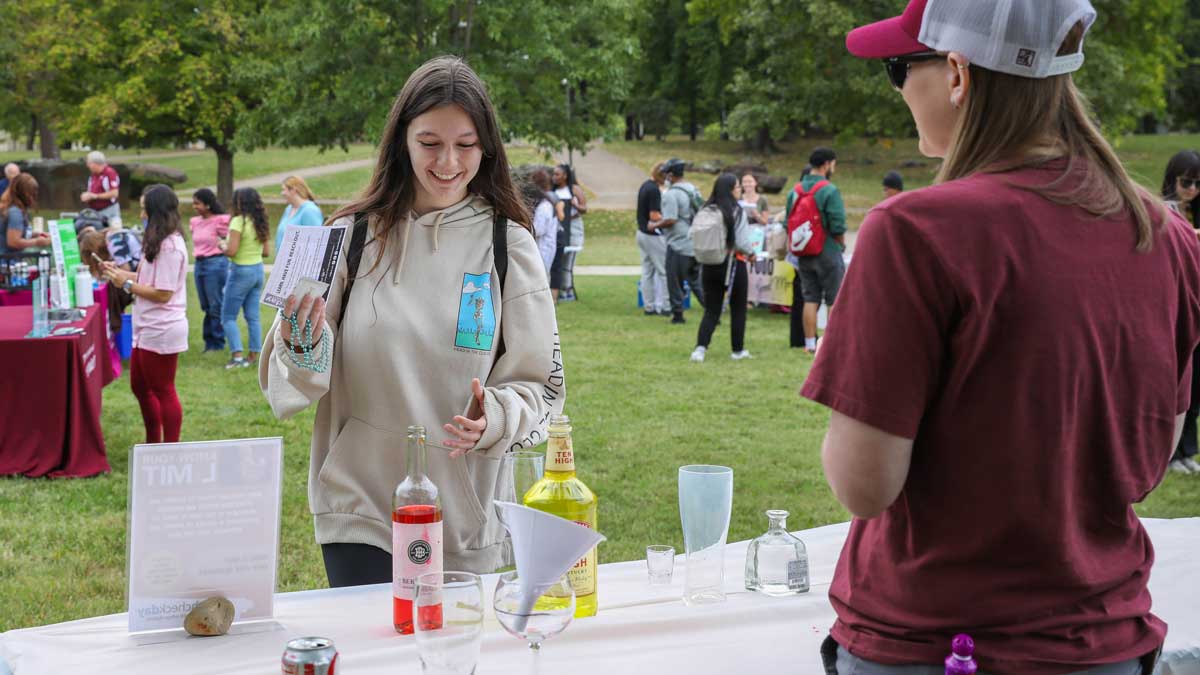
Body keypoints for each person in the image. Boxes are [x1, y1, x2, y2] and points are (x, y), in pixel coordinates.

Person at [805, 2, 1200, 673]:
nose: (899, 88)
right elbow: (1152, 456)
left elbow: (863, 484)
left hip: (935, 644)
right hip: (1106, 640)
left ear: (957, 73)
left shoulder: (913, 231)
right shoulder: (1167, 237)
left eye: (900, 67)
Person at [258, 56, 564, 586]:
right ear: (402, 139)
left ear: (486, 147)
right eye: (430, 142)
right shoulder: (349, 234)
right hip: (360, 507)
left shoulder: (507, 243)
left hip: (465, 512)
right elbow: (295, 378)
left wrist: (493, 417)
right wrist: (300, 340)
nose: (448, 161)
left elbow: (540, 386)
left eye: (465, 144)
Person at [99, 185, 189, 443]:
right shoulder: (157, 241)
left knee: (163, 390)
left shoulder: (171, 246)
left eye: (143, 208)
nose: (140, 213)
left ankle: (169, 448)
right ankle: (153, 442)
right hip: (146, 325)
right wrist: (118, 272)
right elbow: (147, 277)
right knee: (139, 385)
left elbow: (163, 293)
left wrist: (124, 284)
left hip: (162, 327)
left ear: (155, 211)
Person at [691, 173, 755, 363]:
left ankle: (700, 349)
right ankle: (737, 350)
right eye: (737, 187)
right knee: (738, 309)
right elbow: (742, 241)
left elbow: (691, 234)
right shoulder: (736, 211)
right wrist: (751, 253)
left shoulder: (705, 209)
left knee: (711, 309)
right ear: (730, 190)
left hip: (709, 263)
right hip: (733, 263)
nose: (740, 190)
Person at [1163, 149, 1200, 475]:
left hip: (1195, 301)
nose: (1191, 189)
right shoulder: (1163, 214)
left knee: (1196, 388)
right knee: (1181, 383)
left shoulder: (1193, 213)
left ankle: (1188, 451)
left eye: (1197, 184)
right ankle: (1172, 455)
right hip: (1176, 305)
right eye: (1186, 182)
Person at [788, 147, 847, 352]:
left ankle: (810, 344)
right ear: (826, 164)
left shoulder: (794, 191)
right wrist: (841, 243)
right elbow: (837, 224)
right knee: (834, 298)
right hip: (827, 249)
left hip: (804, 252)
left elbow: (789, 222)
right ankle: (831, 346)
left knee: (810, 298)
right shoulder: (829, 190)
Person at [221, 187, 272, 369]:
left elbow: (232, 251)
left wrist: (222, 247)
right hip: (258, 271)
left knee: (228, 317)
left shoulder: (238, 222)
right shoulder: (260, 222)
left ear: (238, 202)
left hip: (240, 271)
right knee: (253, 317)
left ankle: (236, 357)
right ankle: (253, 356)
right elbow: (266, 252)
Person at [654, 158, 705, 323]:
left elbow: (670, 219)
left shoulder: (671, 194)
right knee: (696, 281)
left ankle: (678, 315)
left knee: (674, 281)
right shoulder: (693, 189)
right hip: (695, 241)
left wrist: (654, 225)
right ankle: (713, 311)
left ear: (670, 175)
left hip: (678, 244)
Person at [189, 188, 232, 353]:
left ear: (208, 204)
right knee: (205, 305)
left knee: (215, 305)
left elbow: (228, 239)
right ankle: (209, 341)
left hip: (215, 264)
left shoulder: (221, 220)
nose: (194, 206)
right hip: (199, 264)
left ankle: (217, 342)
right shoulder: (194, 222)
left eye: (197, 203)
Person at [636, 163, 669, 316]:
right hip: (653, 235)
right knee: (663, 271)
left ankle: (649, 306)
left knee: (647, 271)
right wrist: (669, 217)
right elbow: (654, 216)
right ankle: (666, 305)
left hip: (641, 233)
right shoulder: (654, 190)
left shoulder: (644, 186)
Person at [551, 163, 586, 301]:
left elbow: (584, 208)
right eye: (553, 174)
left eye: (557, 174)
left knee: (569, 259)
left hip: (574, 225)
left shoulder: (574, 189)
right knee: (558, 259)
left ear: (565, 176)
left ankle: (567, 289)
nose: (554, 177)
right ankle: (558, 289)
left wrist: (575, 204)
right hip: (557, 226)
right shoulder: (553, 190)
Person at [0, 174, 52, 254]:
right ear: (24, 193)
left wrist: (36, 234)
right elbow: (13, 241)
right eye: (32, 192)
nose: (34, 196)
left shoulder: (13, 208)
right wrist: (36, 242)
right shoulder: (15, 212)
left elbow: (17, 233)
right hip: (8, 262)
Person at [274, 175, 324, 254]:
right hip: (283, 263)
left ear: (293, 190)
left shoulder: (310, 211)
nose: (282, 193)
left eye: (284, 190)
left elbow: (316, 242)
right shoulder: (289, 209)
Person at [526, 169, 557, 275]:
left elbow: (538, 230)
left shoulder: (544, 206)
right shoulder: (546, 203)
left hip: (543, 249)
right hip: (545, 248)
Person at [80, 151, 121, 222]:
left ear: (95, 164)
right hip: (95, 211)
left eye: (89, 163)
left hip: (108, 210)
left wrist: (95, 196)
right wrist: (87, 196)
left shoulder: (109, 173)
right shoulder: (93, 175)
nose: (87, 165)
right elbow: (92, 192)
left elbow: (114, 193)